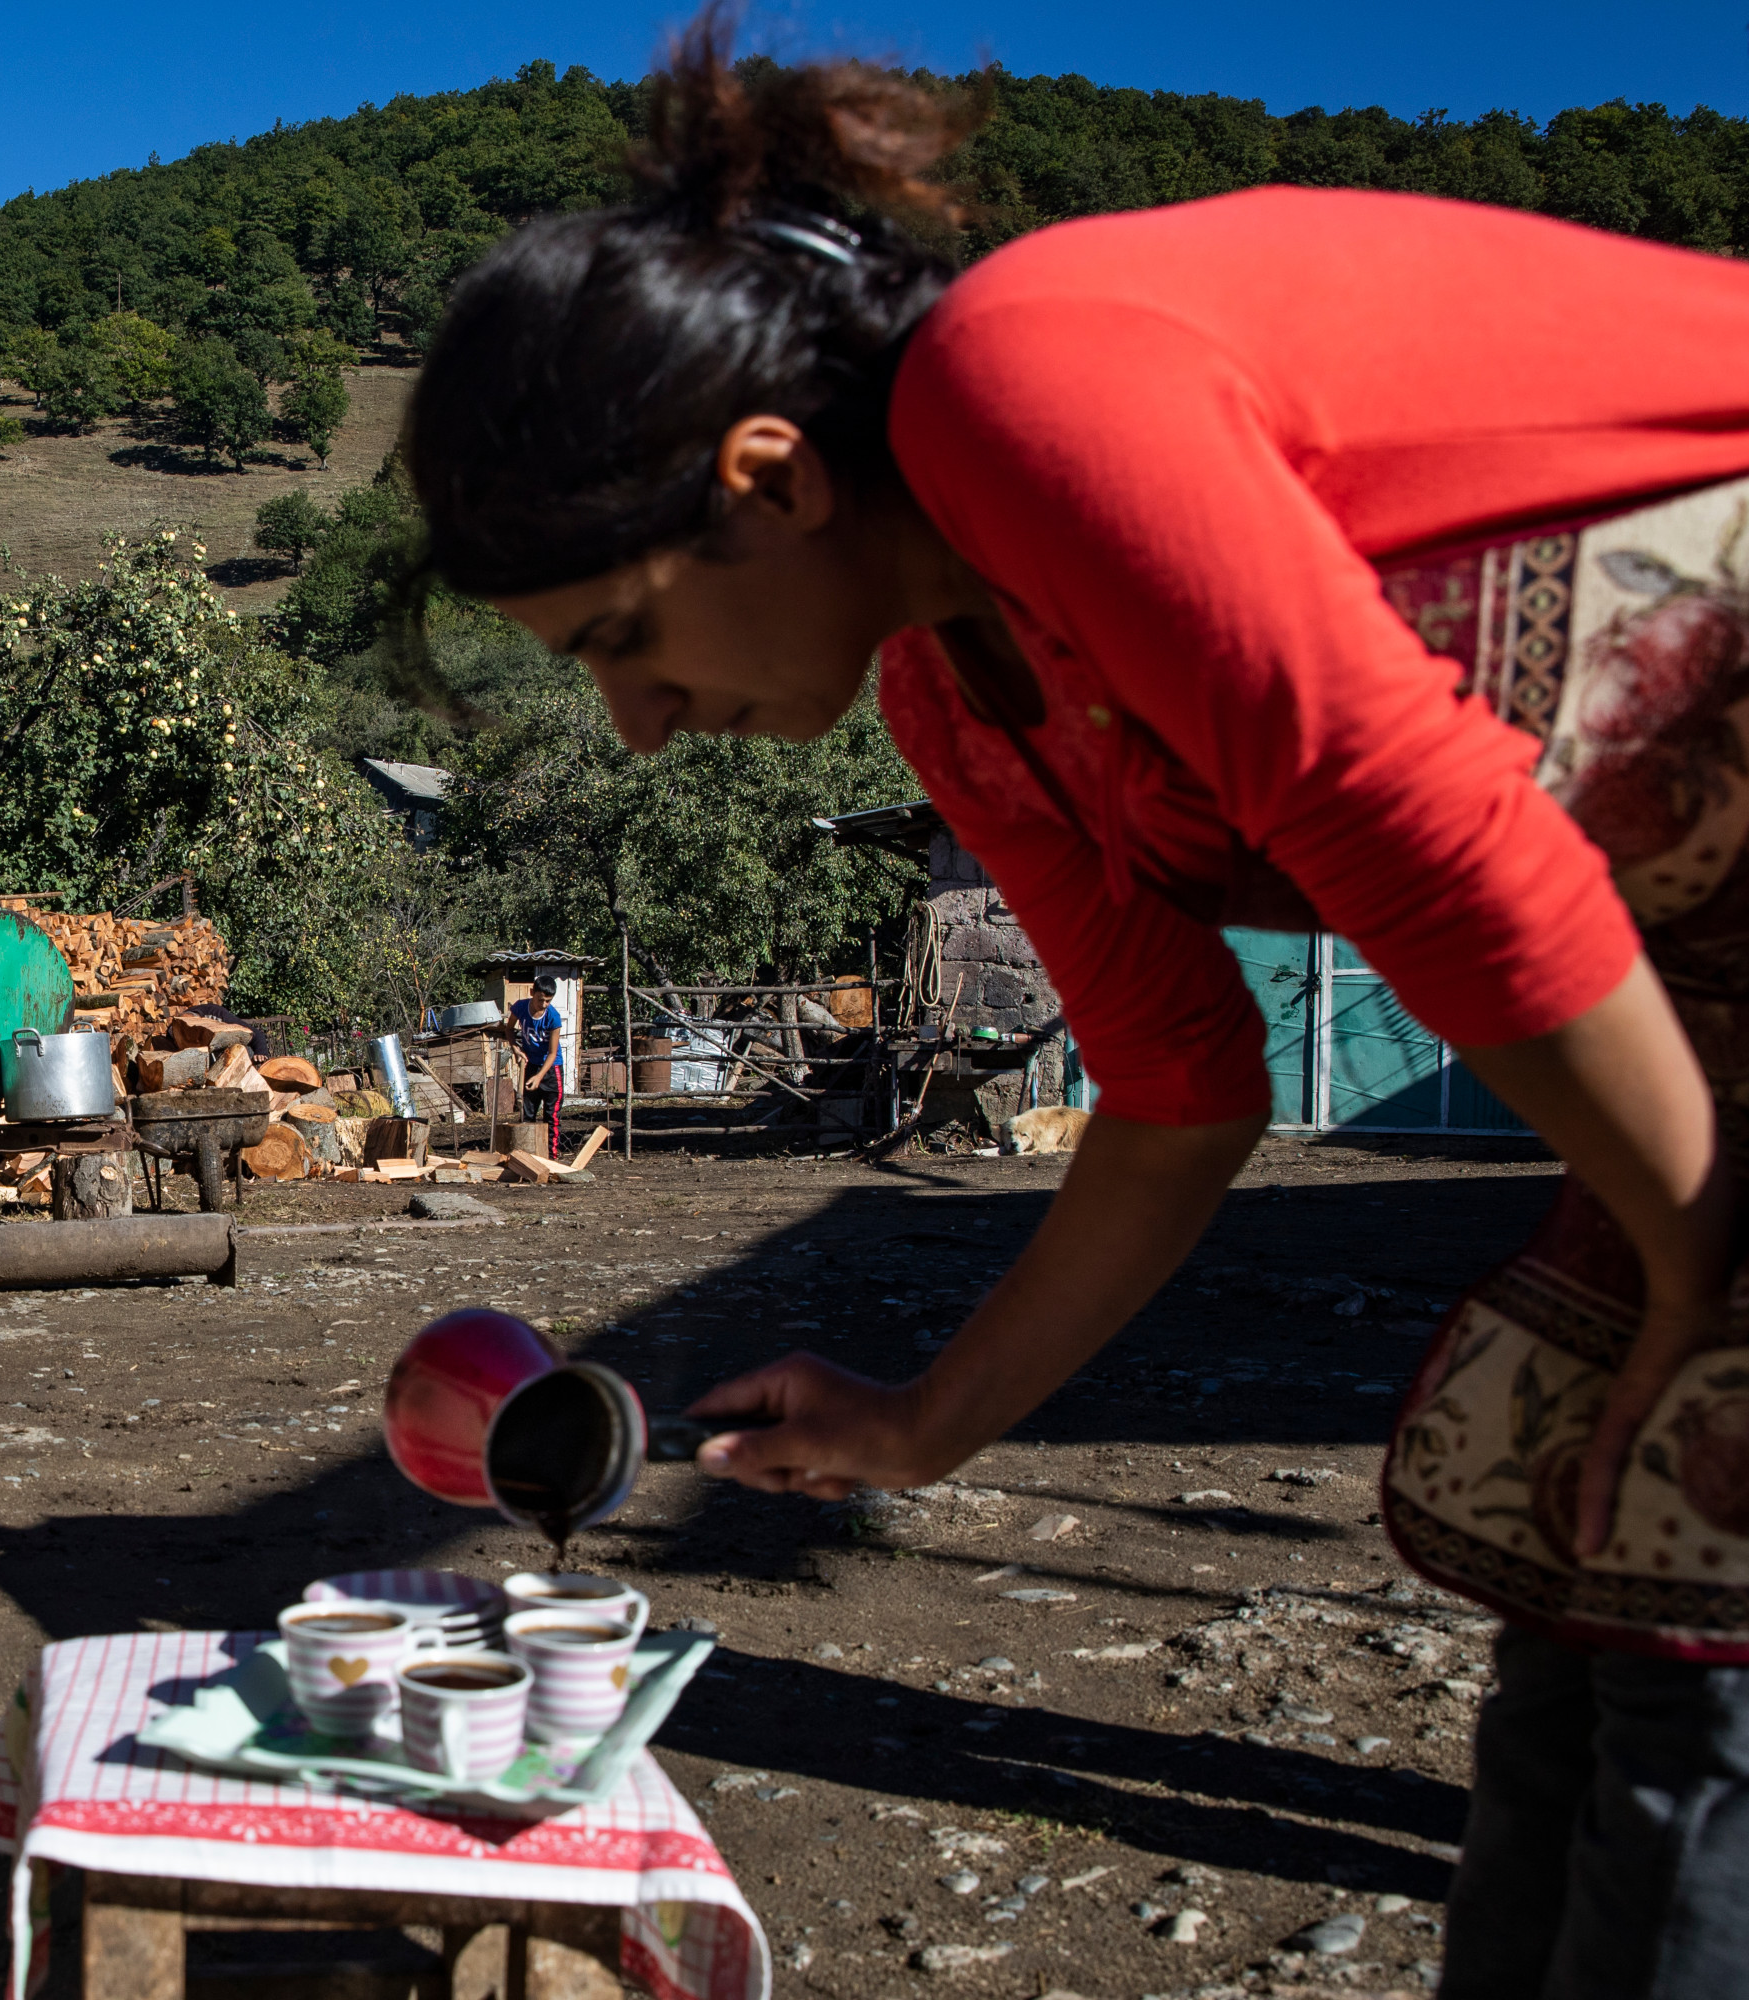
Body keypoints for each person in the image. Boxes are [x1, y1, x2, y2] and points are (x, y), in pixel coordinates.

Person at [404, 24, 1749, 1999]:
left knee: (1705, 1633)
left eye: (624, 635)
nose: (637, 717)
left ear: (767, 480)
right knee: (1578, 1578)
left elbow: (1429, 836)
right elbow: (1181, 1091)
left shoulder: (1022, 379)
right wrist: (922, 1420)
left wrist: (1696, 1257)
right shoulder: (967, 695)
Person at [507, 977, 564, 1154]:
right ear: (532, 993)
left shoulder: (553, 1017)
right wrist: (516, 1049)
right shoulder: (520, 1007)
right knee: (527, 1113)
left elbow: (553, 1053)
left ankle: (550, 1157)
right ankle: (526, 1156)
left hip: (551, 1069)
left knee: (551, 1116)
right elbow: (508, 1029)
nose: (544, 1004)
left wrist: (540, 1077)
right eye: (541, 999)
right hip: (531, 1065)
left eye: (549, 1000)